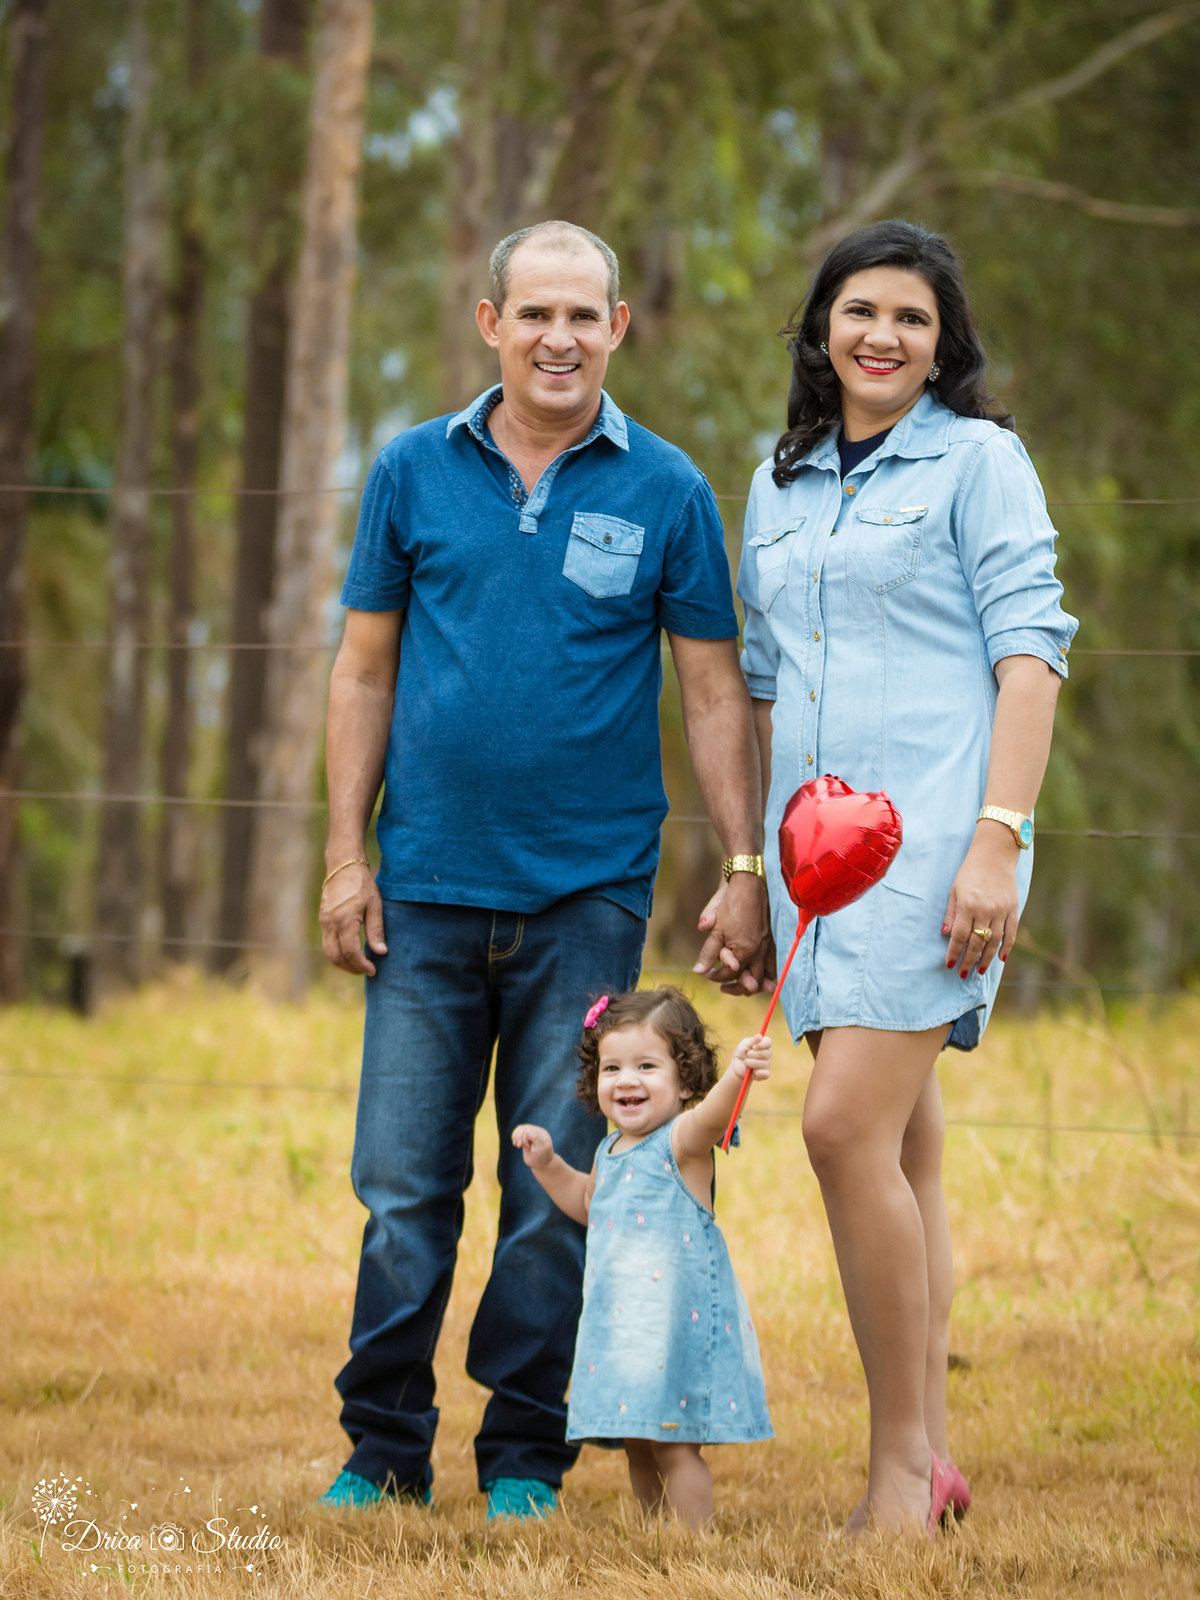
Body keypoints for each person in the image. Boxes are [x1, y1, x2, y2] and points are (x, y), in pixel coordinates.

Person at [315, 220, 772, 1520]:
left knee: (554, 1193)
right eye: (536, 314)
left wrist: (743, 863)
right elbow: (362, 668)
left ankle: (524, 1455)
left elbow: (710, 690)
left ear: (618, 328)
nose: (560, 337)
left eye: (585, 315)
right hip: (424, 896)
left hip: (588, 899)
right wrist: (346, 857)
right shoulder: (410, 472)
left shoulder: (669, 490)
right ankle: (381, 1447)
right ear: (489, 322)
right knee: (404, 1187)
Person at [731, 220, 1078, 1537]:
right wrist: (754, 875)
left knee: (836, 1130)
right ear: (822, 328)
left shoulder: (982, 463)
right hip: (815, 858)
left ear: (945, 347)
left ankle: (892, 1475)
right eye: (860, 310)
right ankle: (929, 1457)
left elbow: (1030, 655)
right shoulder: (783, 480)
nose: (883, 333)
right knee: (907, 1150)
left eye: (914, 319)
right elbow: (768, 685)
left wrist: (1000, 837)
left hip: (939, 847)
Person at [512, 987, 774, 1528]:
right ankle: (656, 1533)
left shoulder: (682, 1141)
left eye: (647, 1066)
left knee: (675, 1445)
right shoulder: (608, 1151)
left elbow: (713, 1116)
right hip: (623, 1331)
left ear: (684, 1080)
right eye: (612, 1067)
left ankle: (690, 1543)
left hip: (673, 1327)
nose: (626, 1080)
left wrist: (737, 1075)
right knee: (636, 1442)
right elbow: (589, 1203)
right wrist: (548, 1165)